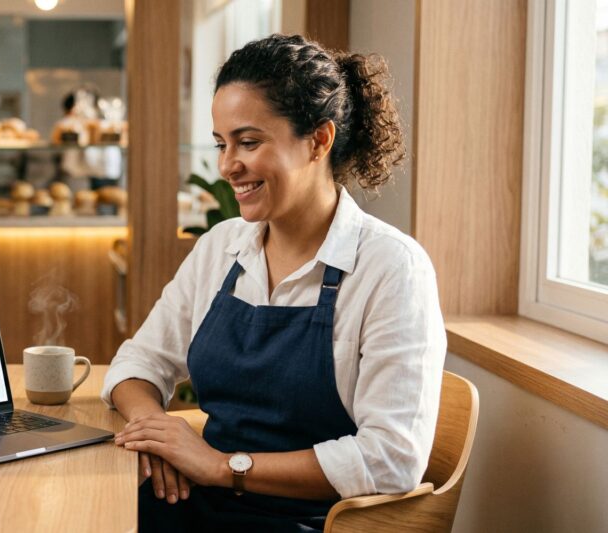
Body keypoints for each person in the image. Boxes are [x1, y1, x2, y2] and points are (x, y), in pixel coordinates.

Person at [102, 34, 446, 532]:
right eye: (222, 144)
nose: (227, 166)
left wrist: (221, 466)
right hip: (199, 501)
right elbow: (139, 362)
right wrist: (156, 433)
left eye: (249, 142)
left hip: (312, 522)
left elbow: (391, 459)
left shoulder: (391, 268)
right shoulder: (221, 247)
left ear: (319, 140)